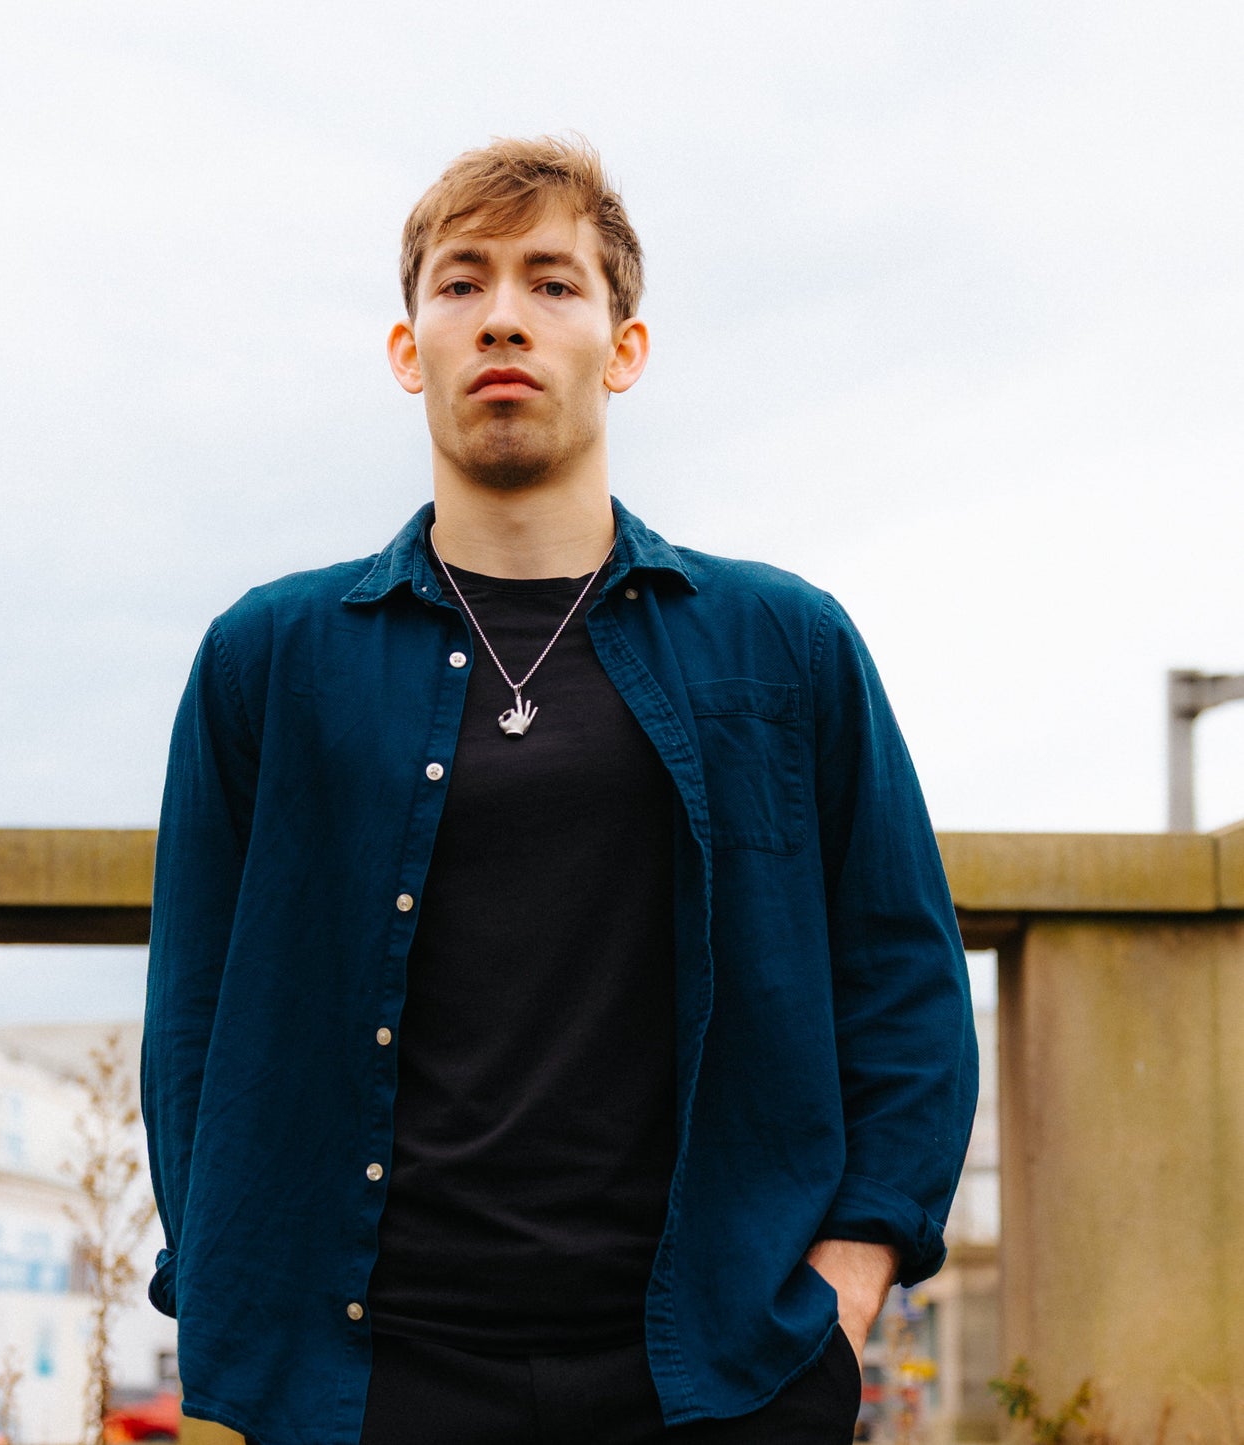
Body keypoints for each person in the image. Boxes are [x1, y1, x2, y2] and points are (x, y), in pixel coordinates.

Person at [142, 135, 978, 1445]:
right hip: (371, 1380)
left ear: (623, 347)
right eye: (462, 284)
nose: (504, 319)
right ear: (408, 350)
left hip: (713, 1370)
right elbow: (191, 1015)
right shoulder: (270, 660)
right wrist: (233, 1295)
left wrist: (846, 1289)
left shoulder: (784, 648)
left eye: (551, 282)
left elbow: (902, 986)